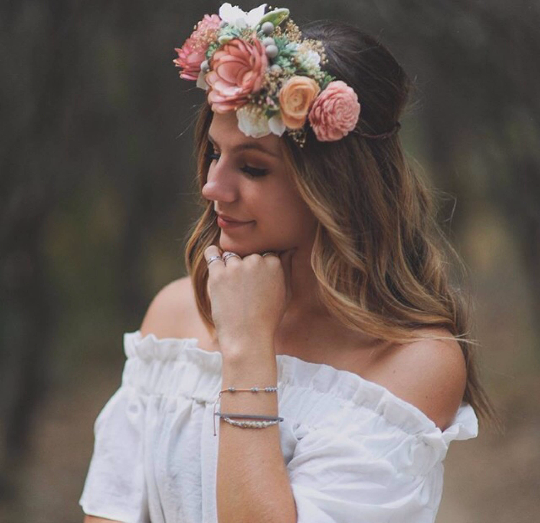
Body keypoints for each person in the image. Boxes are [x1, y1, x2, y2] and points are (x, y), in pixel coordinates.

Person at [80, 3, 494, 522]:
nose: (212, 187)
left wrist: (249, 348)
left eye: (253, 167)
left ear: (339, 186)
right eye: (214, 153)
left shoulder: (409, 362)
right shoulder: (174, 316)